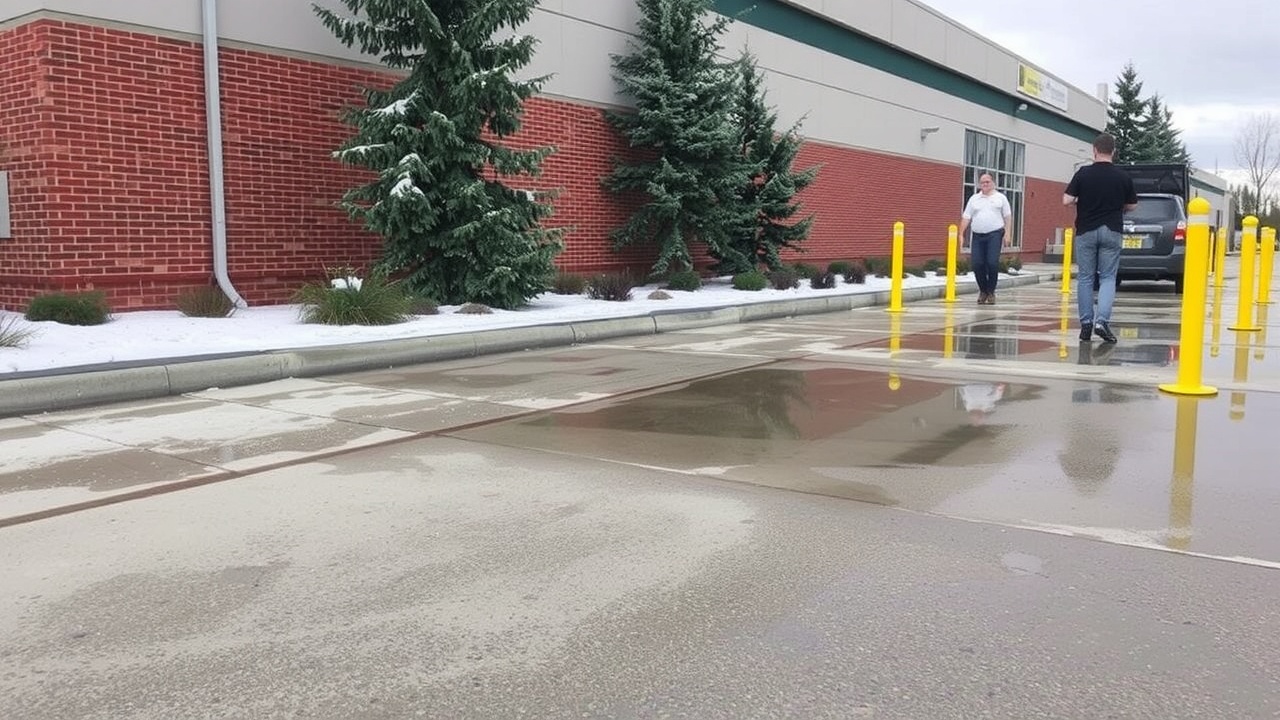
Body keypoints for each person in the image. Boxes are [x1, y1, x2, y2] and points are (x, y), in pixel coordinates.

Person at [1063, 133, 1137, 343]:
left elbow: (1066, 199)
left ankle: (1086, 324)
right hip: (1112, 230)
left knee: (1086, 278)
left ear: (1094, 150)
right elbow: (1132, 205)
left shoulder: (1083, 173)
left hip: (1086, 230)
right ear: (1113, 152)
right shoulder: (1122, 177)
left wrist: (1080, 200)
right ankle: (1101, 321)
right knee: (1107, 278)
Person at [959, 172, 1013, 305]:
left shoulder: (1000, 198)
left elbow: (1007, 217)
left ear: (993, 183)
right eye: (982, 182)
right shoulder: (974, 199)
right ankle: (983, 290)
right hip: (977, 235)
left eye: (987, 182)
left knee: (992, 263)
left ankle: (991, 291)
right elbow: (966, 217)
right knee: (977, 264)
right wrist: (961, 233)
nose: (985, 185)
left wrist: (1007, 233)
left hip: (994, 234)